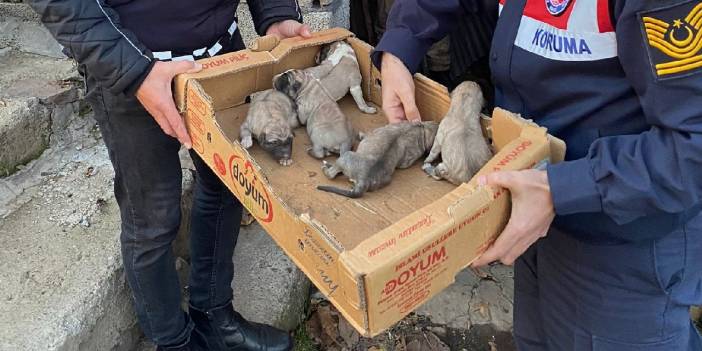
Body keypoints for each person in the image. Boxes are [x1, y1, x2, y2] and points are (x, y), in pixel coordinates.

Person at [373, 1, 702, 350]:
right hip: (536, 214)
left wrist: (560, 189)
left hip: (622, 245)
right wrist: (399, 46)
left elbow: (692, 147)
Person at [29, 1, 310, 350]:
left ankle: (213, 316)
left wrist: (277, 13)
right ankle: (174, 343)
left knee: (228, 185)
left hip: (220, 56)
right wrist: (132, 70)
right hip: (129, 68)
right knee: (151, 219)